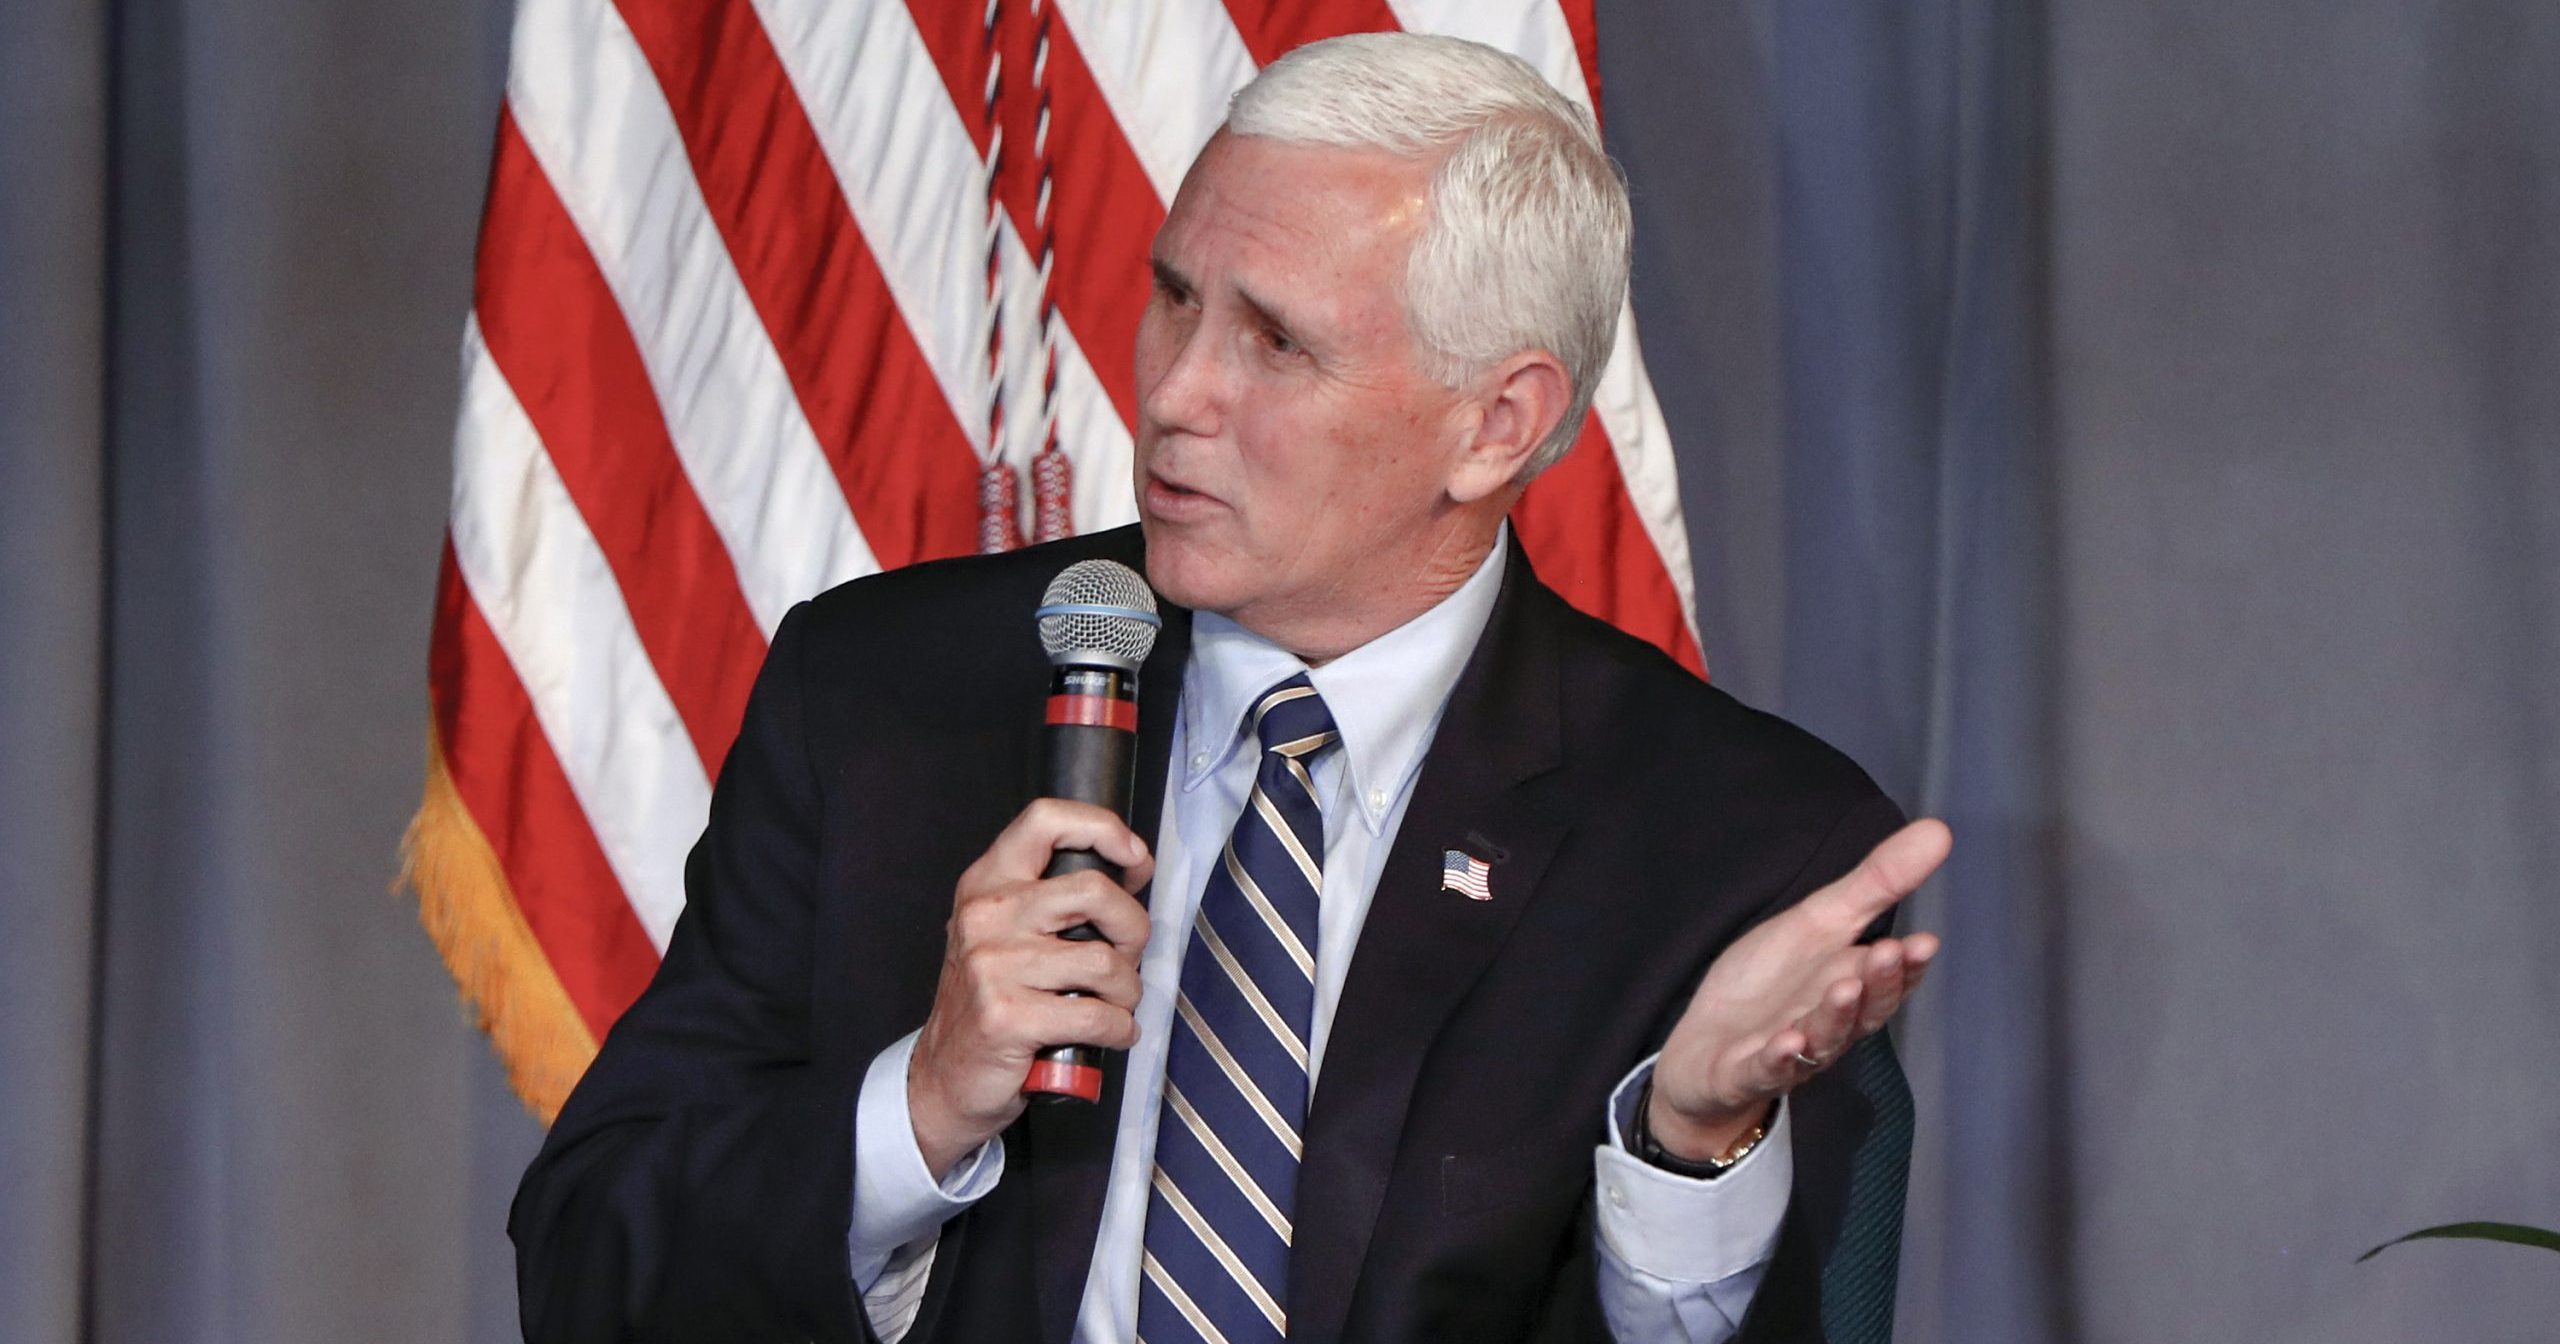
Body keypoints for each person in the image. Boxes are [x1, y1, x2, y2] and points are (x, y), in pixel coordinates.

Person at [512, 31, 1944, 1344]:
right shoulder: (886, 698)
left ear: (1496, 425)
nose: (1174, 393)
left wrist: (1688, 1145)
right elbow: (588, 1260)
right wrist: (924, 1105)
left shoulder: (1736, 844)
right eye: (1174, 299)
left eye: (1274, 343)